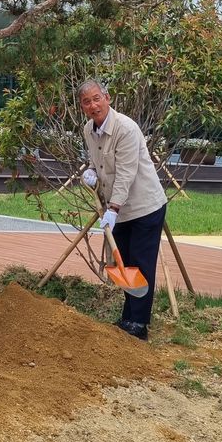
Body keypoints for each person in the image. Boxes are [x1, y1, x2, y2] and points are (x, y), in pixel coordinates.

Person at [78, 79, 167, 341]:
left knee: (140, 264)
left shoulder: (126, 129)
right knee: (124, 263)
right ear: (82, 107)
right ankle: (128, 316)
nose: (93, 105)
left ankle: (139, 324)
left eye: (97, 98)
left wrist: (113, 208)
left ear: (107, 98)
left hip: (143, 207)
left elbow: (127, 173)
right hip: (117, 210)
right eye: (87, 102)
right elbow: (99, 163)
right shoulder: (88, 130)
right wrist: (91, 173)